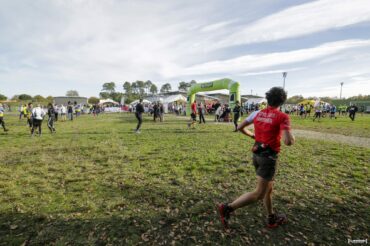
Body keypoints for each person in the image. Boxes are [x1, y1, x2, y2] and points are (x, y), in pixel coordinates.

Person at [217, 87, 295, 229]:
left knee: (268, 189)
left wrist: (253, 136)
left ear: (267, 99)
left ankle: (271, 218)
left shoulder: (257, 113)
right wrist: (291, 135)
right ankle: (227, 208)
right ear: (282, 102)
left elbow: (240, 127)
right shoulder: (282, 117)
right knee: (259, 193)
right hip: (268, 158)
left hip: (257, 154)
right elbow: (288, 142)